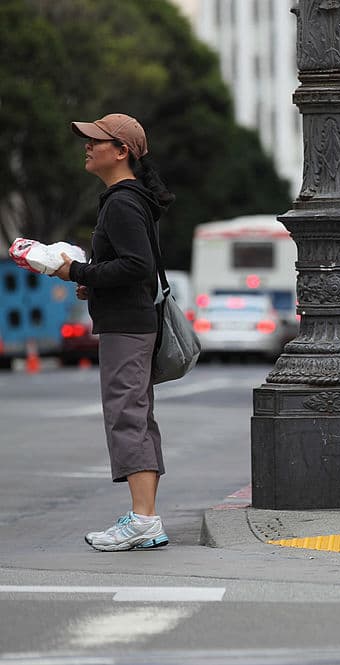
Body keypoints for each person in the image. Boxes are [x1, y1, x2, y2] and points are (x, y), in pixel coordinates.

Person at [53, 113, 174, 551]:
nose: (86, 146)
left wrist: (75, 270)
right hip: (133, 322)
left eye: (94, 140)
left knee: (126, 416)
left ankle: (144, 519)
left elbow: (136, 265)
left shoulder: (122, 201)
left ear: (121, 151)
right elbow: (133, 267)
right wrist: (93, 280)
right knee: (137, 416)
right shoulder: (130, 198)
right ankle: (146, 520)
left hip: (127, 328)